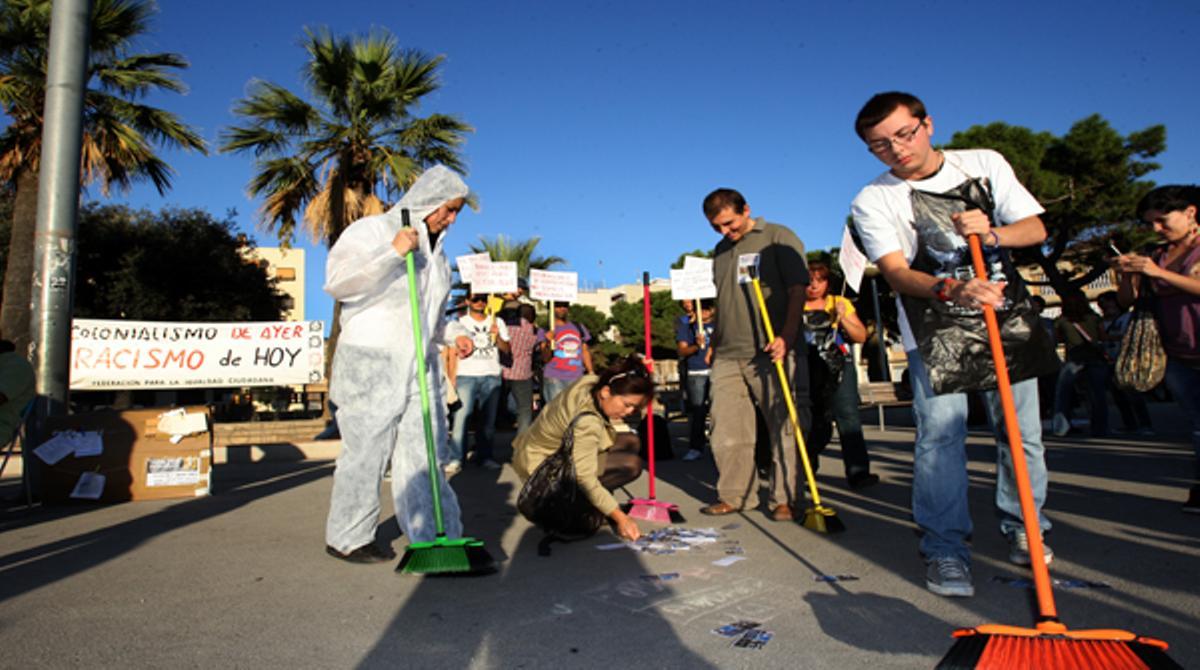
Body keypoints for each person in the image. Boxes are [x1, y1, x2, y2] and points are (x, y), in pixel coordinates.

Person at [851, 92, 1060, 597]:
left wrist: (992, 237)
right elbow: (898, 273)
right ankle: (945, 550)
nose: (897, 150)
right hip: (934, 332)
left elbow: (1034, 228)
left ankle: (1026, 531)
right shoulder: (872, 199)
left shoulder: (984, 165)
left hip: (1004, 319)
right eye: (880, 145)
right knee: (940, 440)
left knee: (1021, 433)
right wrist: (953, 287)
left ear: (928, 124)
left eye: (905, 134)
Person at [322, 165, 474, 563]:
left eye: (457, 211)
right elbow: (340, 282)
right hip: (372, 362)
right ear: (427, 201)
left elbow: (432, 317)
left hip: (419, 367)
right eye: (448, 209)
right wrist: (391, 253)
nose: (452, 218)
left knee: (424, 453)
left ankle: (433, 532)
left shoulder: (438, 259)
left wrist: (454, 334)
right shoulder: (371, 231)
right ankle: (348, 536)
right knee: (366, 451)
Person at [699, 187, 811, 522]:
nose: (724, 232)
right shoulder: (720, 251)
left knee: (785, 428)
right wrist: (714, 344)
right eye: (716, 227)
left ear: (746, 209)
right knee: (727, 429)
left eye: (730, 224)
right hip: (728, 354)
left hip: (772, 350)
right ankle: (735, 495)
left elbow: (797, 289)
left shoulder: (778, 236)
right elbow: (723, 301)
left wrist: (788, 336)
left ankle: (785, 498)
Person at [1115, 184, 1200, 513]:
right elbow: (1127, 302)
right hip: (1177, 354)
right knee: (1197, 425)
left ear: (1190, 212)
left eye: (1163, 221)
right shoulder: (1157, 255)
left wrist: (1158, 273)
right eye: (1150, 223)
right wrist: (1126, 276)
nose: (1156, 229)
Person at [511, 356, 651, 542]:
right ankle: (576, 504)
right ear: (606, 392)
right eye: (627, 405)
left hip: (536, 449)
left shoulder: (590, 382)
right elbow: (583, 477)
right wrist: (620, 517)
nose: (629, 412)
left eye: (634, 408)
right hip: (543, 470)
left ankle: (590, 501)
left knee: (631, 441)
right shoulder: (587, 422)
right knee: (631, 465)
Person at [802, 262, 878, 489]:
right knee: (811, 419)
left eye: (820, 280)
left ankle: (858, 472)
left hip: (839, 366)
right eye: (809, 280)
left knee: (848, 416)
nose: (814, 285)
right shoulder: (793, 305)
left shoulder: (840, 302)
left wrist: (843, 318)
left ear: (828, 282)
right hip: (808, 367)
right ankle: (807, 469)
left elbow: (861, 336)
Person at [448, 293, 511, 473]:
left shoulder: (497, 321)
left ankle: (485, 457)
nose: (480, 302)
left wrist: (497, 336)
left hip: (492, 375)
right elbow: (451, 352)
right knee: (461, 418)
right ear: (467, 301)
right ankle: (456, 458)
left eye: (483, 298)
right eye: (475, 299)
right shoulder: (460, 323)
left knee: (488, 422)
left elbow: (507, 350)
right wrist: (452, 377)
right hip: (466, 375)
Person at [1050, 290, 1110, 437]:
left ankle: (1061, 428)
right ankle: (1100, 429)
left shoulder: (1061, 321)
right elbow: (1103, 336)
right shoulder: (1094, 318)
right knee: (1098, 396)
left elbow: (1057, 340)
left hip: (1074, 359)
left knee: (1063, 395)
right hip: (1095, 358)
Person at [1096, 291, 1152, 434]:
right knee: (1119, 396)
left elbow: (1131, 336)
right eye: (1102, 304)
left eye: (1107, 302)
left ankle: (1145, 424)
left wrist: (1108, 337)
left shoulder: (1128, 318)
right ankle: (1130, 424)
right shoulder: (1102, 321)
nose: (1105, 306)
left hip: (1127, 359)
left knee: (1133, 394)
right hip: (1111, 359)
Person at [676, 299, 715, 461]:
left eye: (707, 309)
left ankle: (720, 444)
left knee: (720, 410)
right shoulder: (687, 326)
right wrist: (696, 346)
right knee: (698, 411)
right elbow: (682, 350)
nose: (704, 312)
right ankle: (695, 447)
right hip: (696, 372)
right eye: (701, 309)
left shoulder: (720, 325)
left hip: (718, 370)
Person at [540, 301, 593, 403]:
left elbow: (585, 351)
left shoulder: (579, 327)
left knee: (574, 412)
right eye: (558, 306)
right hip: (554, 377)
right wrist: (547, 342)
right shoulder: (545, 330)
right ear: (551, 308)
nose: (562, 308)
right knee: (556, 412)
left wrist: (590, 371)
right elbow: (545, 358)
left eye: (565, 305)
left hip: (576, 377)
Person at [501, 303, 540, 435]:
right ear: (532, 316)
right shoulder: (535, 331)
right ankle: (522, 441)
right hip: (523, 373)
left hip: (503, 371)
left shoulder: (505, 328)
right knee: (524, 410)